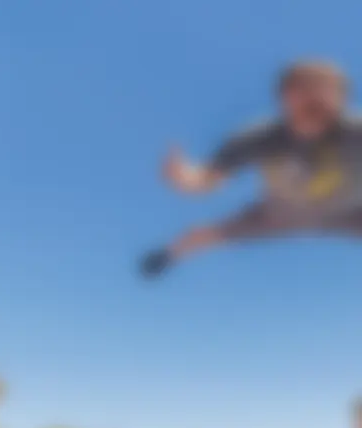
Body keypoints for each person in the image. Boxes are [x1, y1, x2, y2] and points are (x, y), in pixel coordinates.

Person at [142, 60, 362, 278]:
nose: (316, 97)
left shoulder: (355, 132)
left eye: (327, 90)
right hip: (276, 214)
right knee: (204, 234)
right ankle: (164, 258)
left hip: (347, 212)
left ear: (342, 98)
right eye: (305, 88)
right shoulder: (257, 137)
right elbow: (209, 178)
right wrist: (183, 177)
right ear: (283, 96)